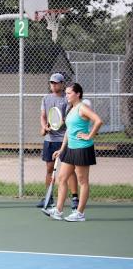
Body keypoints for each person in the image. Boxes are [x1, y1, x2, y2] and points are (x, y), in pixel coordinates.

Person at [43, 83, 103, 222]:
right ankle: (58, 211)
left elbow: (98, 121)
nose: (67, 95)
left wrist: (89, 136)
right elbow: (69, 131)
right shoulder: (72, 109)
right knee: (62, 178)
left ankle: (80, 213)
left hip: (82, 148)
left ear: (78, 94)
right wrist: (62, 149)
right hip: (70, 149)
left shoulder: (82, 108)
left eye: (69, 93)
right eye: (67, 93)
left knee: (82, 181)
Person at [37, 73, 79, 209]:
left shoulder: (67, 99)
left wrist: (60, 123)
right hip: (49, 140)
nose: (53, 85)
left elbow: (68, 119)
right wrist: (44, 126)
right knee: (49, 169)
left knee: (70, 170)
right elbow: (43, 116)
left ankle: (75, 198)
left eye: (56, 83)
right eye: (51, 83)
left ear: (62, 84)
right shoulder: (45, 98)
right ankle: (49, 198)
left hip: (64, 140)